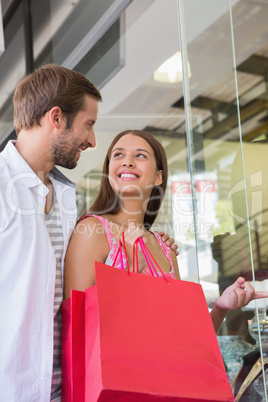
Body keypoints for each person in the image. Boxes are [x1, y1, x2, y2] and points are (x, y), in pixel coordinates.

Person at [0, 65, 177, 402]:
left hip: (66, 386)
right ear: (56, 118)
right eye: (89, 125)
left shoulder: (68, 199)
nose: (93, 141)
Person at [64, 129, 268, 335]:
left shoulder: (164, 247)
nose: (127, 161)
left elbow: (184, 339)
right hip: (117, 367)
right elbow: (77, 324)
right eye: (118, 154)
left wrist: (221, 308)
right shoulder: (92, 230)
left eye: (140, 155)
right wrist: (129, 272)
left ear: (158, 177)